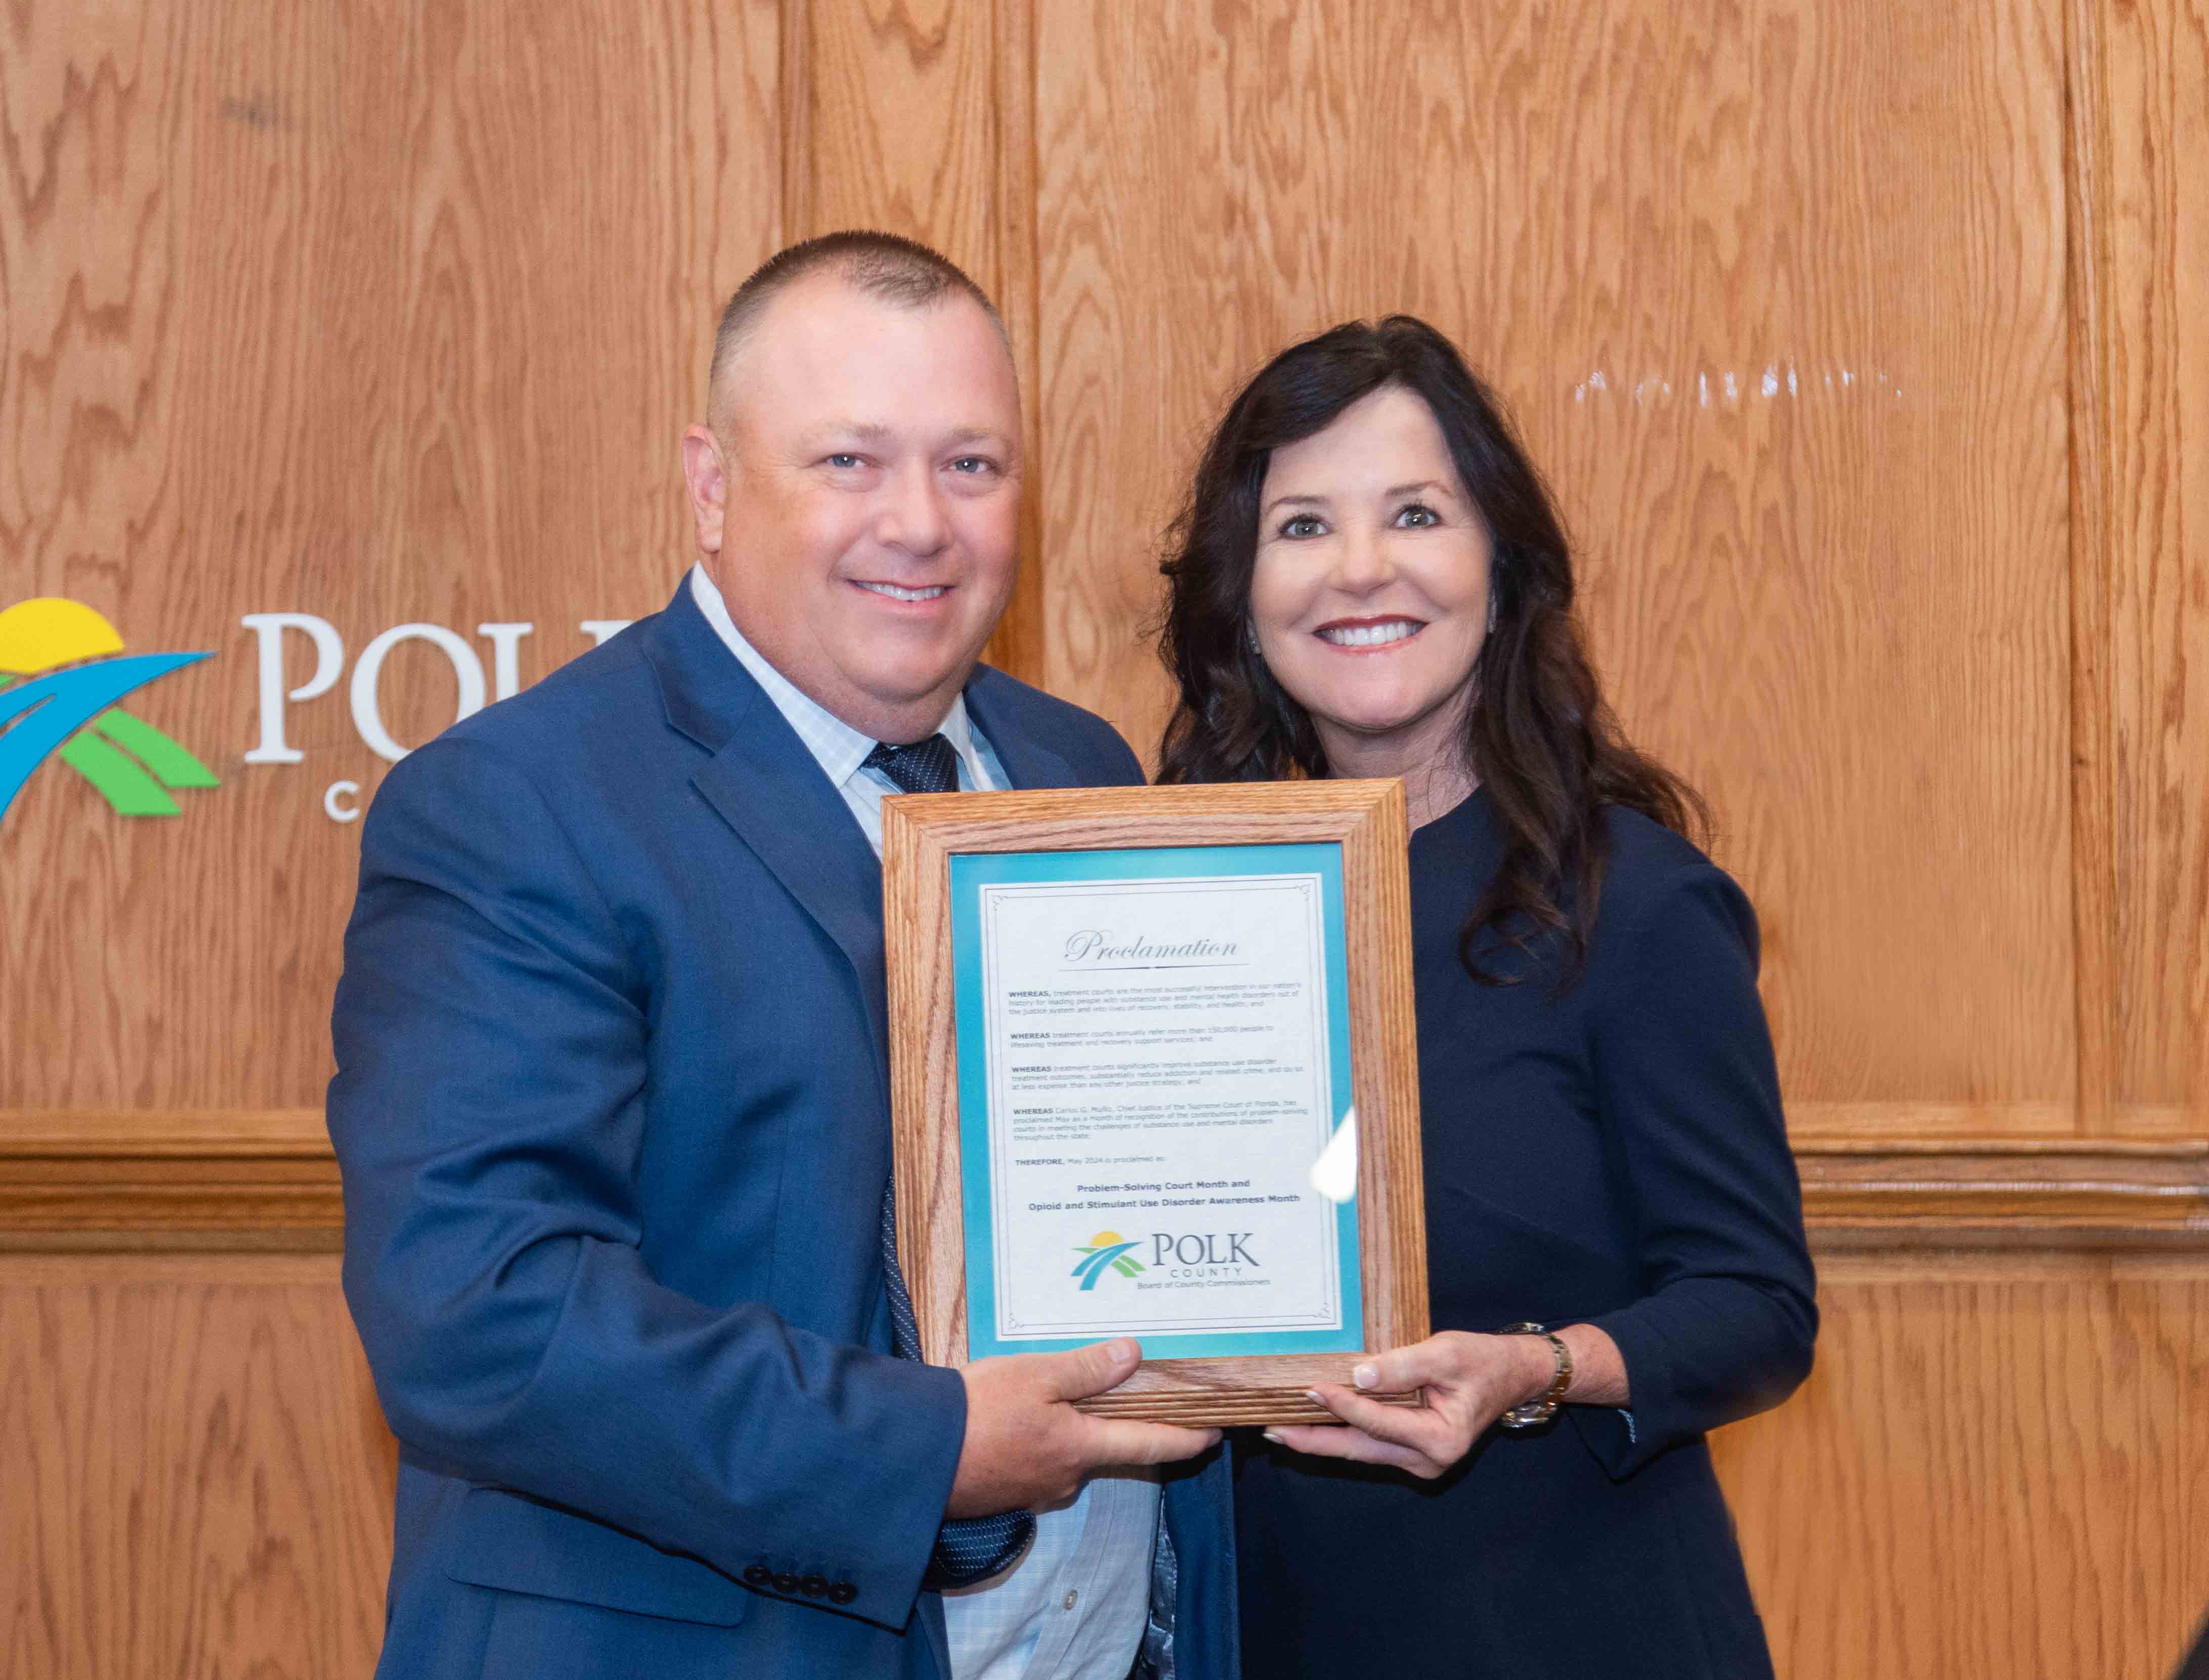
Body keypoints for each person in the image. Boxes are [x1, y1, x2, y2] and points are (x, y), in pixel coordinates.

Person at [328, 231, 1236, 1680]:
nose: (921, 523)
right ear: (709, 485)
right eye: (849, 463)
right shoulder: (521, 801)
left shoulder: (1076, 763)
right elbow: (477, 1316)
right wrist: (934, 1447)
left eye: (972, 465)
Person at [1152, 316, 1816, 1678]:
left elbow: (1757, 1302)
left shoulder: (1634, 903)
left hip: (1565, 1624)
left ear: (1501, 568)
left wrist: (1538, 1369)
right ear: (1242, 593)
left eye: (1415, 512)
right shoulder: (1176, 905)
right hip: (1264, 1628)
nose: (1361, 569)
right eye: (1302, 527)